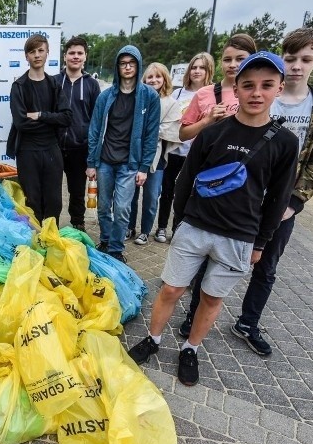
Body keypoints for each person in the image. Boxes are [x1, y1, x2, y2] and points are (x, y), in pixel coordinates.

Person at [126, 52, 298, 386]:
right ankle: (154, 339)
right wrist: (181, 225)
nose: (256, 93)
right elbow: (185, 180)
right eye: (248, 85)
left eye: (266, 85)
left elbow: (278, 198)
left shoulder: (284, 142)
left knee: (211, 297)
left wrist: (261, 242)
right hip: (196, 228)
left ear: (279, 88)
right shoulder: (214, 132)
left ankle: (190, 348)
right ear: (238, 87)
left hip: (239, 236)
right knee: (171, 289)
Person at [180, 28, 313, 356]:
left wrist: (294, 202)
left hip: (281, 204)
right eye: (291, 58)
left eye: (306, 59)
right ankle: (193, 314)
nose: (297, 65)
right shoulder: (260, 91)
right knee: (210, 257)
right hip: (237, 198)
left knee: (265, 264)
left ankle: (249, 322)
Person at [176, 35, 257, 335]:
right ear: (220, 62)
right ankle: (185, 311)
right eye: (228, 58)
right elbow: (184, 134)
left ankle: (197, 319)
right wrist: (208, 120)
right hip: (202, 183)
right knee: (192, 254)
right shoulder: (205, 95)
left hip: (237, 190)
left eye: (240, 58)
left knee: (216, 266)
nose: (234, 64)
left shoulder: (256, 95)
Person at [86, 45, 160, 264]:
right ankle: (106, 240)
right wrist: (91, 162)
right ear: (117, 66)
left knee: (121, 209)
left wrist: (144, 167)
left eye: (131, 63)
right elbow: (94, 130)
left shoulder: (149, 97)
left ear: (138, 66)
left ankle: (117, 248)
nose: (127, 67)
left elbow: (151, 135)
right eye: (123, 63)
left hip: (130, 163)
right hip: (105, 161)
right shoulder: (106, 96)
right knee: (103, 206)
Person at [7, 33, 73, 224]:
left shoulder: (54, 85)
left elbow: (67, 117)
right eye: (32, 51)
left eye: (40, 50)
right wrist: (52, 121)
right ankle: (35, 243)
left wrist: (41, 115)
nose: (37, 55)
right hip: (28, 152)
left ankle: (51, 239)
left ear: (47, 53)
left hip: (52, 150)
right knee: (32, 200)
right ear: (26, 56)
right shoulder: (18, 86)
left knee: (54, 201)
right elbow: (21, 123)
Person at [155, 52, 214, 243]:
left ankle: (179, 228)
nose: (197, 71)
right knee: (167, 191)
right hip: (174, 151)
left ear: (209, 71)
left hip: (197, 154)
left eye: (202, 68)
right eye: (194, 67)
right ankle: (162, 227)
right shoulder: (178, 93)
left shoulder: (213, 94)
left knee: (189, 193)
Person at [127, 62, 181, 245]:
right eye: (150, 76)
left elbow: (169, 129)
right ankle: (129, 226)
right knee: (130, 195)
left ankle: (145, 231)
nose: (153, 80)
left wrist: (146, 131)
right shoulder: (137, 99)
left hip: (156, 160)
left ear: (164, 79)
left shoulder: (171, 103)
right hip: (134, 155)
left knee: (151, 197)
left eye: (158, 76)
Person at [57, 36, 101, 231]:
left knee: (76, 192)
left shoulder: (92, 85)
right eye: (72, 53)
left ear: (85, 57)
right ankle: (51, 225)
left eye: (79, 53)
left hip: (80, 148)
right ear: (64, 56)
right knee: (52, 191)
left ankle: (77, 225)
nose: (75, 56)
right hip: (55, 147)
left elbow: (96, 120)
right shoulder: (54, 81)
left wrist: (93, 151)